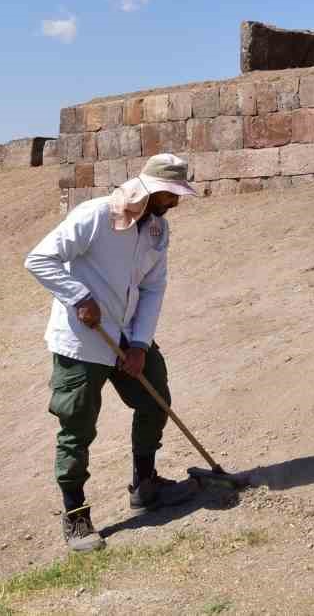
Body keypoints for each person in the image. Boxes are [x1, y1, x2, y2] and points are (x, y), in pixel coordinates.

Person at [24, 153, 200, 554]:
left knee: (156, 401)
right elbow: (39, 259)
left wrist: (139, 344)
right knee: (78, 426)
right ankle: (76, 513)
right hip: (82, 341)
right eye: (172, 194)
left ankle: (145, 486)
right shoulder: (96, 216)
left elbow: (154, 287)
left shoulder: (158, 230)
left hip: (127, 335)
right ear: (153, 190)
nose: (176, 202)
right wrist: (78, 296)